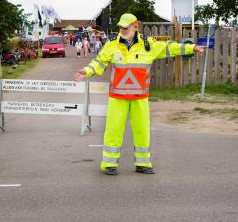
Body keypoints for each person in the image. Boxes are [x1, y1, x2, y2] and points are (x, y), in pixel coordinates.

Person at [74, 13, 204, 175]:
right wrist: (85, 72)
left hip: (140, 98)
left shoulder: (148, 45)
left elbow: (169, 47)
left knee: (142, 130)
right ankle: (109, 164)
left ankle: (143, 163)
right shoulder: (111, 45)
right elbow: (98, 63)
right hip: (117, 98)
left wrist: (191, 48)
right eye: (120, 27)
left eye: (125, 27)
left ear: (135, 26)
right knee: (113, 130)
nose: (122, 30)